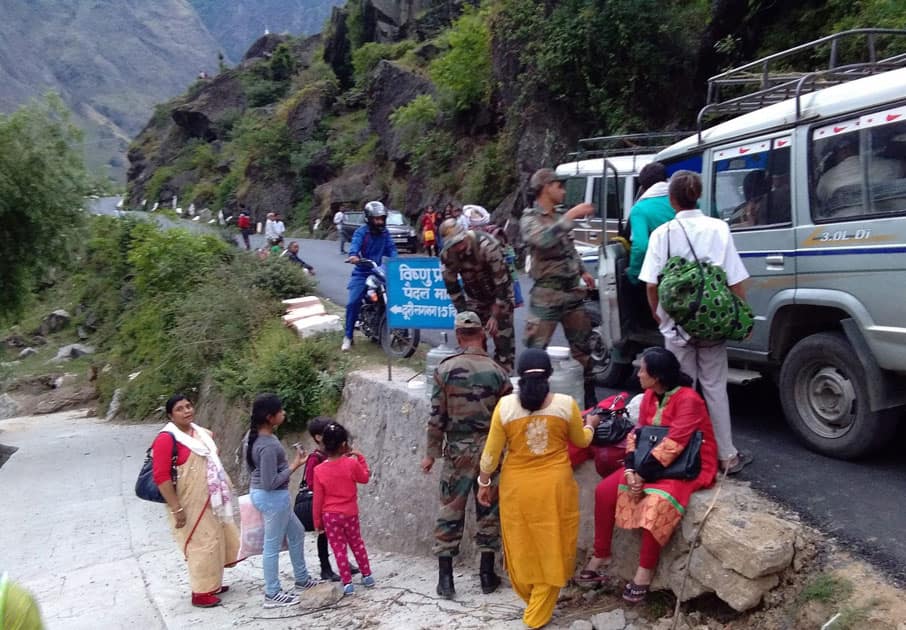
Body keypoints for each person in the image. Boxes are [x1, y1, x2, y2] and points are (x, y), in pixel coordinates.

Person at [579, 347, 718, 603]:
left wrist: (640, 475)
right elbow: (636, 435)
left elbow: (674, 444)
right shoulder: (651, 396)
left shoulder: (689, 400)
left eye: (643, 369)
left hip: (685, 465)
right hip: (649, 462)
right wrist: (631, 469)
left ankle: (644, 572)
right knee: (605, 491)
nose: (638, 373)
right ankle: (601, 554)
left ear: (656, 376)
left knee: (656, 503)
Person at [638, 170, 752, 475]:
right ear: (698, 195)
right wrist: (740, 315)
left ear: (672, 199)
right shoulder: (719, 228)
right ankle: (727, 456)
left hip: (677, 326)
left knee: (680, 392)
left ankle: (684, 453)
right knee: (715, 387)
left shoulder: (663, 233)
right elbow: (737, 279)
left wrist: (658, 313)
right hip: (713, 325)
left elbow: (650, 284)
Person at [476, 349, 600, 629]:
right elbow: (581, 442)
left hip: (515, 487)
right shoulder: (565, 405)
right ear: (550, 375)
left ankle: (533, 598)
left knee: (521, 543)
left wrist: (484, 483)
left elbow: (490, 455)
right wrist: (590, 425)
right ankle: (537, 611)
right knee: (554, 543)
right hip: (555, 486)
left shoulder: (505, 407)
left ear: (518, 377)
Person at [421, 311, 513, 599]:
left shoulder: (445, 369)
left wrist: (430, 454)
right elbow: (507, 416)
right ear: (482, 335)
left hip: (457, 451)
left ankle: (445, 580)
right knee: (489, 510)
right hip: (490, 451)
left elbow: (437, 416)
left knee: (450, 509)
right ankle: (487, 575)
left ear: (459, 335)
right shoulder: (498, 372)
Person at [151, 394, 240, 608]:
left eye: (188, 406)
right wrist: (176, 507)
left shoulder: (200, 433)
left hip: (211, 498)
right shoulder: (166, 439)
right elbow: (161, 477)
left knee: (216, 537)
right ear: (171, 416)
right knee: (201, 544)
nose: (186, 411)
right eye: (180, 409)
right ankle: (200, 592)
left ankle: (213, 583)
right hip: (188, 501)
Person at [520, 167, 598, 408]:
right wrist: (570, 217)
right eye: (559, 186)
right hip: (547, 294)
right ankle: (531, 402)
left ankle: (589, 404)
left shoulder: (559, 215)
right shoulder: (530, 218)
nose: (563, 190)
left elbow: (568, 248)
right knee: (535, 352)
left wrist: (583, 270)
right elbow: (542, 240)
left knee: (583, 350)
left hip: (571, 293)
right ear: (545, 188)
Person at [246, 393, 318, 608]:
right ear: (270, 417)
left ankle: (302, 579)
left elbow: (253, 470)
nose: (284, 413)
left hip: (269, 496)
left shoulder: (254, 437)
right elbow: (270, 482)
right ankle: (272, 592)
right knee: (272, 545)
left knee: (296, 532)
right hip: (272, 498)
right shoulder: (267, 445)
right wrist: (295, 465)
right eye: (281, 410)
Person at [440, 220, 516, 372]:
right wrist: (463, 316)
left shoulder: (487, 246)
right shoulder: (448, 255)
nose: (459, 247)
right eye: (454, 244)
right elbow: (453, 288)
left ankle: (504, 377)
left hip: (500, 296)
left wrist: (494, 316)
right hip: (475, 298)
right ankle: (478, 376)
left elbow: (502, 283)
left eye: (460, 242)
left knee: (503, 343)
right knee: (472, 339)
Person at [312, 422, 376, 596]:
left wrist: (317, 521)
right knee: (357, 543)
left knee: (338, 548)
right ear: (343, 444)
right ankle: (367, 575)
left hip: (330, 516)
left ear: (324, 444)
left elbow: (318, 499)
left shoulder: (318, 470)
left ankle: (347, 583)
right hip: (350, 513)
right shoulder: (351, 464)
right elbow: (364, 478)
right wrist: (361, 458)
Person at [342, 201, 398, 352]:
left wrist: (395, 259)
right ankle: (348, 336)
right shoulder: (361, 232)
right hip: (363, 271)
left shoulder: (385, 233)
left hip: (380, 271)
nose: (380, 221)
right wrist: (353, 255)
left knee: (395, 296)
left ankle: (385, 330)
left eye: (382, 218)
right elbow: (355, 245)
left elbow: (391, 249)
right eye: (376, 219)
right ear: (369, 219)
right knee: (353, 302)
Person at [300, 416, 351, 582]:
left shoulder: (333, 456)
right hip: (323, 504)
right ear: (318, 437)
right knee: (324, 537)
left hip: (334, 503)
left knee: (340, 534)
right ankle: (325, 568)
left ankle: (343, 562)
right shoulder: (315, 458)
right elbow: (310, 481)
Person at [465, 204, 524, 308]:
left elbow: (507, 260)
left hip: (498, 282)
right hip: (478, 287)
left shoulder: (495, 234)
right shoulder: (466, 239)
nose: (472, 228)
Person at [816, 136, 904, 204]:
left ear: (842, 152)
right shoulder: (893, 165)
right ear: (859, 149)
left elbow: (822, 199)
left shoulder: (826, 179)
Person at [626, 162, 675, 285]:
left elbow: (641, 246)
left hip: (661, 276)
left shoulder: (640, 208)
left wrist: (634, 273)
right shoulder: (683, 200)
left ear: (642, 186)